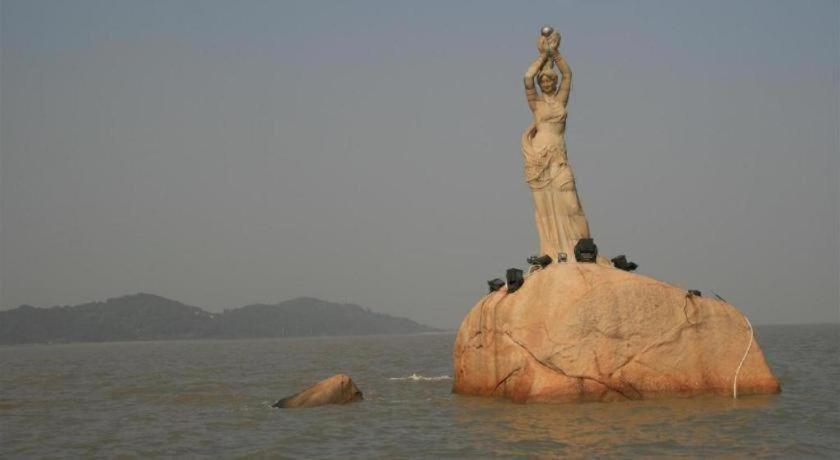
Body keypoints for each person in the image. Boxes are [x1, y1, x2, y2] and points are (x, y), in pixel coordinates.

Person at [521, 27, 591, 260]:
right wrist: (543, 56)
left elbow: (568, 74)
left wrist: (555, 54)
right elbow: (527, 78)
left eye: (551, 79)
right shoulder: (536, 104)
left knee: (572, 204)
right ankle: (552, 250)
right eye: (544, 80)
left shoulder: (561, 100)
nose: (547, 82)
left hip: (559, 159)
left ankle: (585, 248)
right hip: (539, 159)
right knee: (545, 211)